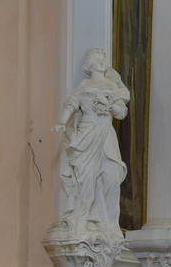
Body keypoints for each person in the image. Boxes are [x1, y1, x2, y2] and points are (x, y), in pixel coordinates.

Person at [51, 48, 130, 239]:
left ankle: (110, 224)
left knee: (111, 178)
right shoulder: (84, 84)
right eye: (97, 58)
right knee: (87, 180)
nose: (101, 61)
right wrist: (62, 121)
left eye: (103, 58)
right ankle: (86, 220)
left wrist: (109, 105)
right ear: (89, 64)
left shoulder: (113, 86)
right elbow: (71, 104)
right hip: (86, 134)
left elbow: (121, 113)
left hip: (106, 134)